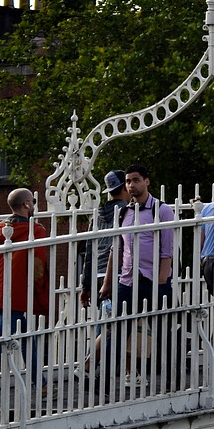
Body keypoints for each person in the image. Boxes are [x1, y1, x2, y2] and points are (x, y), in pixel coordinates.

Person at [98, 164, 177, 393]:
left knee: (163, 331)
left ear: (147, 181)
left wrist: (161, 284)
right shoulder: (123, 212)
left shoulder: (162, 211)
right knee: (118, 330)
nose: (131, 185)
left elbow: (167, 251)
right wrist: (108, 282)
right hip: (127, 280)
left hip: (153, 280)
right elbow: (118, 247)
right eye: (128, 182)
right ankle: (103, 380)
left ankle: (172, 380)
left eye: (136, 180)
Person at [0, 187, 49, 401]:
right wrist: (40, 290)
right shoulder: (35, 230)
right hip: (18, 290)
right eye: (32, 202)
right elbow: (39, 265)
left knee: (23, 336)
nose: (33, 205)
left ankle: (40, 384)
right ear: (26, 205)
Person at [78, 170, 129, 307]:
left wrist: (85, 287)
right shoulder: (128, 212)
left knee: (105, 321)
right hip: (121, 275)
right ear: (125, 186)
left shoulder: (96, 216)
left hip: (97, 276)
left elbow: (89, 253)